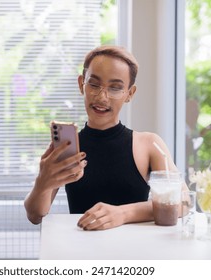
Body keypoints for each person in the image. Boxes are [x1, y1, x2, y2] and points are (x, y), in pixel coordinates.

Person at [24, 45, 187, 230]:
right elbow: (35, 215)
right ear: (81, 85)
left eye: (115, 88)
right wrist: (42, 183)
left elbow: (183, 201)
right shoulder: (67, 147)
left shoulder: (149, 145)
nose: (102, 97)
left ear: (129, 94)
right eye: (94, 84)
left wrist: (123, 213)